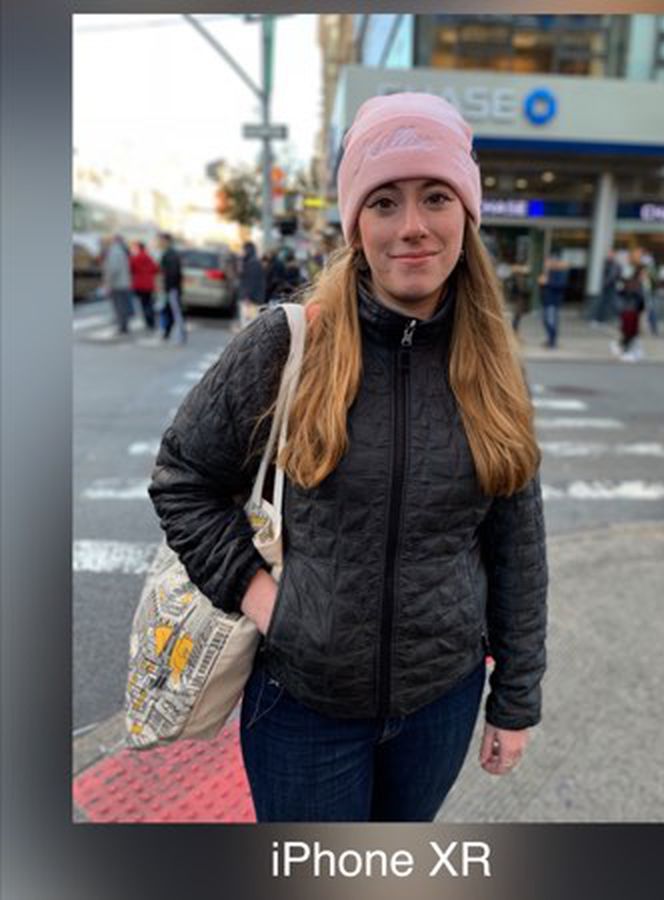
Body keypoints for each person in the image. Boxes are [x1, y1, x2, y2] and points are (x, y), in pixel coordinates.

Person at [149, 92, 548, 823]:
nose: (413, 227)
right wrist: (270, 602)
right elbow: (183, 480)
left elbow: (516, 543)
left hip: (440, 703)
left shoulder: (494, 364)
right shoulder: (287, 344)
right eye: (384, 202)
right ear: (354, 223)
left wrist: (516, 698)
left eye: (436, 197)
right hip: (303, 706)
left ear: (468, 214)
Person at [614, 247, 650, 361]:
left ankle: (632, 350)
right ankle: (625, 350)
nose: (640, 256)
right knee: (629, 328)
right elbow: (622, 286)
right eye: (638, 254)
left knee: (635, 328)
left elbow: (646, 286)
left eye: (641, 254)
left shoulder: (642, 268)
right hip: (629, 302)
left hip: (639, 302)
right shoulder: (628, 268)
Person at [156, 233, 187, 344]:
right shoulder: (168, 253)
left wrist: (168, 287)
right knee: (167, 310)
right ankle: (166, 333)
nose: (159, 243)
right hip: (170, 288)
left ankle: (181, 335)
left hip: (172, 288)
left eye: (161, 240)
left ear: (166, 241)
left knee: (176, 312)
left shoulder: (171, 254)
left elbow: (172, 273)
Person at [101, 234, 133, 334]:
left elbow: (113, 269)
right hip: (123, 283)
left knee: (119, 306)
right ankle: (124, 325)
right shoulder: (122, 250)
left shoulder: (114, 251)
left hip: (117, 284)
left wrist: (108, 283)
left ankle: (122, 326)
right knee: (122, 304)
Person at [537, 255, 569, 349]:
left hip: (553, 302)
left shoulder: (560, 272)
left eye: (548, 262)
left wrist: (547, 282)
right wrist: (541, 284)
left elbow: (560, 285)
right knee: (545, 321)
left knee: (551, 321)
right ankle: (549, 339)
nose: (546, 264)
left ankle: (553, 342)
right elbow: (543, 286)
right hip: (545, 301)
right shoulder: (547, 272)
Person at [129, 240, 160, 331]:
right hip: (149, 284)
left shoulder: (135, 258)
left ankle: (148, 321)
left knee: (143, 303)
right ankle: (151, 321)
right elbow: (156, 269)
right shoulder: (149, 257)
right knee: (149, 303)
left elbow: (131, 269)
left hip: (139, 284)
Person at [237, 241, 266, 326]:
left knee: (247, 325)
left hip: (251, 300)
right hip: (251, 298)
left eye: (243, 250)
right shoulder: (250, 262)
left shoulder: (253, 263)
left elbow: (252, 281)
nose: (242, 252)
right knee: (247, 324)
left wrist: (247, 297)